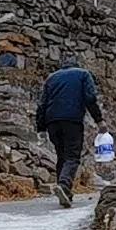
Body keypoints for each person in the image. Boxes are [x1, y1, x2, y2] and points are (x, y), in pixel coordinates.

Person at [33, 61, 105, 202]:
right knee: (72, 156)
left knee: (62, 156)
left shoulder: (51, 78)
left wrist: (41, 128)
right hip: (72, 120)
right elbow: (90, 98)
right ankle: (64, 185)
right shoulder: (83, 74)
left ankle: (65, 193)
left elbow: (42, 104)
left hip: (52, 121)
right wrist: (99, 120)